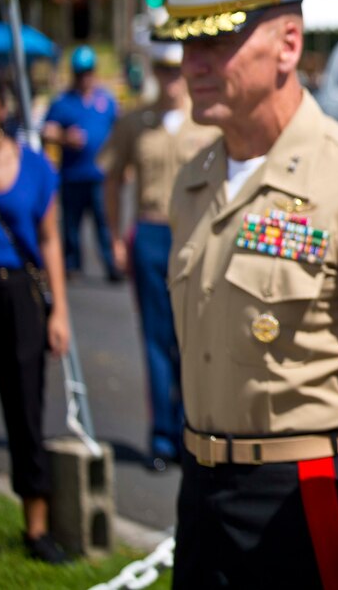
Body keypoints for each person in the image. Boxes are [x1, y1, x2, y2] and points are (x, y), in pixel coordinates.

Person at [140, 0, 338, 589]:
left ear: (289, 44)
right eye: (186, 44)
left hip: (311, 493)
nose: (194, 64)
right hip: (202, 489)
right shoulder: (194, 180)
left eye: (217, 41)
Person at [99, 40, 219, 471]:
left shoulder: (207, 119)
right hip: (150, 231)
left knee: (194, 337)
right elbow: (112, 179)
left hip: (195, 235)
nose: (171, 79)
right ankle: (162, 435)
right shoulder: (136, 121)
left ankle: (194, 426)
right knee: (155, 338)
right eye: (163, 70)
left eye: (176, 69)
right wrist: (114, 236)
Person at [0, 70, 71, 564]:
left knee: (25, 412)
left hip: (18, 294)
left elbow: (50, 239)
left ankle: (36, 529)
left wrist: (60, 311)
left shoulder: (33, 167)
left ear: (2, 107)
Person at [41, 45, 121, 281]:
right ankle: (72, 264)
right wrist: (65, 137)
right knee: (72, 225)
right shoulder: (63, 102)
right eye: (80, 72)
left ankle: (111, 264)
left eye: (88, 71)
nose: (85, 77)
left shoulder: (106, 100)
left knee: (104, 223)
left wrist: (121, 167)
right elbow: (47, 130)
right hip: (73, 174)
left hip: (100, 175)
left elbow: (119, 131)